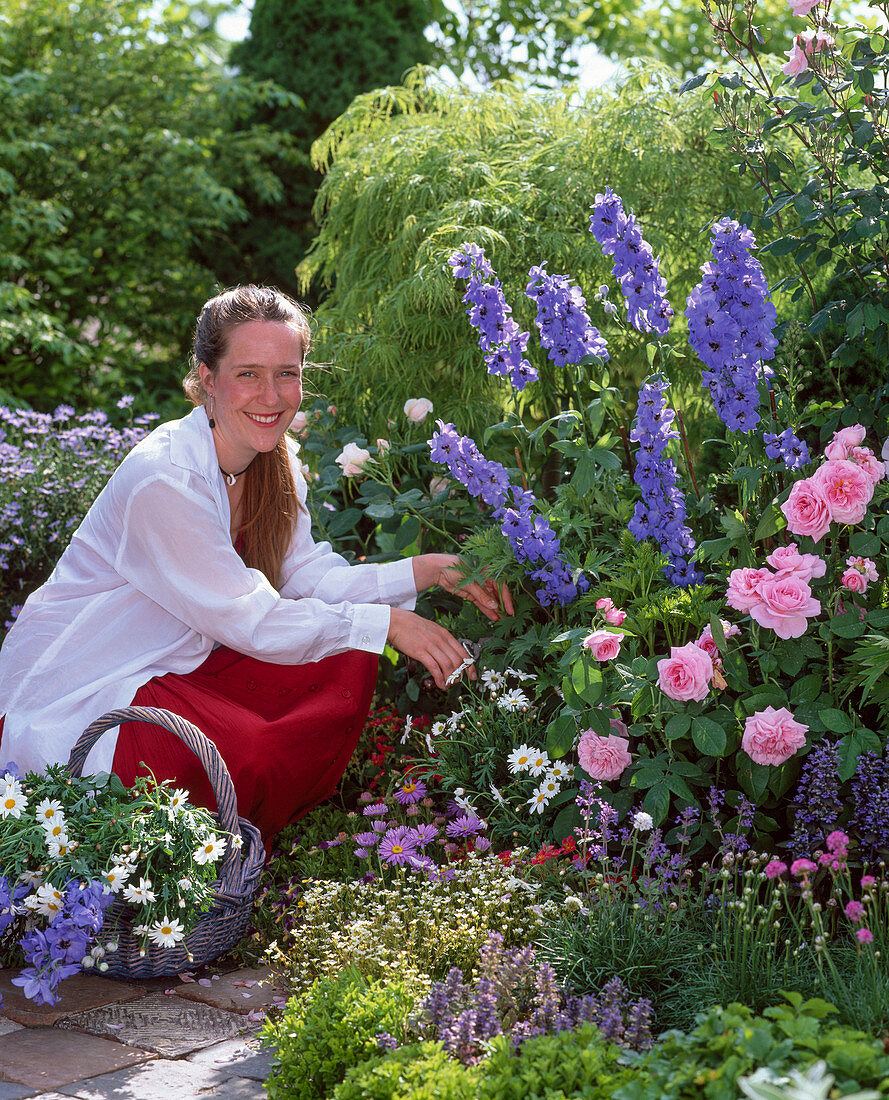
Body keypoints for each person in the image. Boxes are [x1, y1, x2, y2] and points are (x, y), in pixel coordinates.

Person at [0, 285, 512, 848]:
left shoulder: (273, 458)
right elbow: (254, 621)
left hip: (187, 655)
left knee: (347, 658)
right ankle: (194, 845)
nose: (271, 395)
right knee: (254, 743)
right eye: (247, 374)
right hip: (97, 679)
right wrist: (387, 624)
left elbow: (306, 578)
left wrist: (428, 568)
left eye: (287, 374)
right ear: (207, 380)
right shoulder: (164, 479)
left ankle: (230, 828)